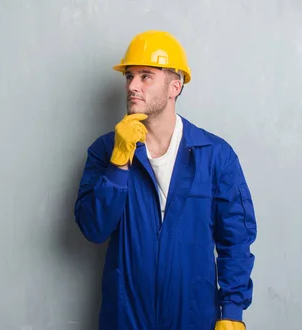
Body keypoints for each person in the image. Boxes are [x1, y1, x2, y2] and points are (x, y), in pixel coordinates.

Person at [73, 30, 257, 330]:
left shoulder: (215, 156)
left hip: (194, 318)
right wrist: (118, 163)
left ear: (175, 86)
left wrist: (232, 311)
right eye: (129, 76)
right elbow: (93, 229)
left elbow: (236, 240)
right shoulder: (105, 151)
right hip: (126, 318)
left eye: (146, 76)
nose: (132, 86)